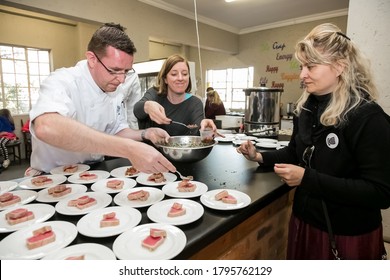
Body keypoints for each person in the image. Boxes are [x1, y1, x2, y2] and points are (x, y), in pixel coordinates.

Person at [237, 23, 390, 260]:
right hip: (305, 221)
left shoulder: (367, 116)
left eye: (311, 66)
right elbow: (295, 153)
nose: (302, 75)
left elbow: (380, 192)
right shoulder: (306, 108)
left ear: (339, 66)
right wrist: (258, 156)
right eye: (301, 67)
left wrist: (307, 178)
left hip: (347, 232)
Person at [27, 22, 176, 175]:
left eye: (126, 71)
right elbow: (46, 127)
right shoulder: (63, 81)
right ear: (92, 59)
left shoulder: (114, 88)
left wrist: (145, 133)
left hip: (95, 172)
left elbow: (115, 130)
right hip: (53, 175)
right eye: (114, 70)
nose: (122, 80)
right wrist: (129, 149)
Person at [134, 54, 217, 136]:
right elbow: (137, 110)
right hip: (150, 149)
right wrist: (147, 106)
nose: (180, 78)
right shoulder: (154, 94)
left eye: (184, 74)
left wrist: (205, 129)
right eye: (174, 74)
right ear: (165, 79)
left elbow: (197, 132)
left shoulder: (195, 103)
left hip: (184, 149)